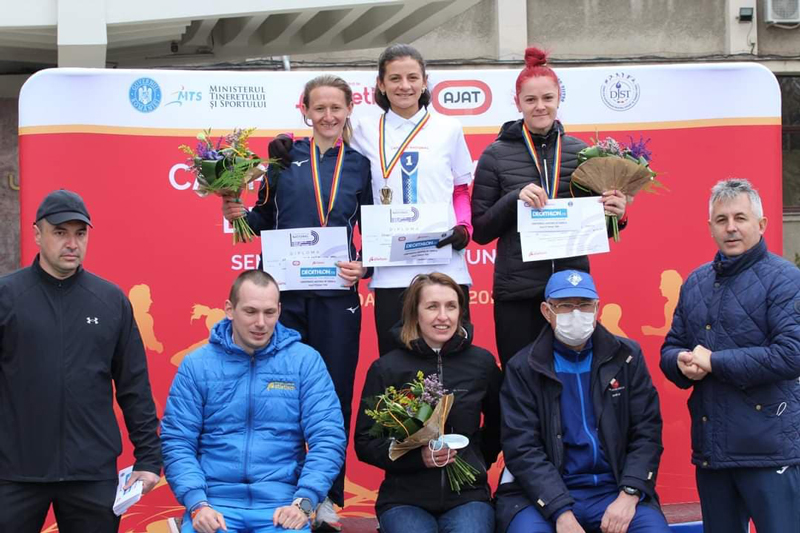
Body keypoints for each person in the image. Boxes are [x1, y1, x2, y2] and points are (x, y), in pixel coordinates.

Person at [222, 74, 371, 530]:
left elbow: (375, 232)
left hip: (336, 297)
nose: (328, 116)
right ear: (305, 110)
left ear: (349, 110)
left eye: (336, 108)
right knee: (277, 393)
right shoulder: (282, 160)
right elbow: (262, 219)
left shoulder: (360, 165)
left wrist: (364, 266)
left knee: (334, 395)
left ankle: (325, 496)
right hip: (283, 297)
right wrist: (236, 213)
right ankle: (280, 488)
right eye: (319, 108)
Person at [271, 44, 475, 356]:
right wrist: (285, 140)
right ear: (380, 84)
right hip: (390, 269)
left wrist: (464, 227)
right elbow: (325, 136)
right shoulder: (364, 130)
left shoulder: (450, 128)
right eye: (394, 78)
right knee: (395, 363)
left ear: (425, 82)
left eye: (412, 78)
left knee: (452, 359)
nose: (404, 86)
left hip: (444, 263)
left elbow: (461, 189)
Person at [0, 189, 162, 532]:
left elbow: (134, 385)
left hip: (92, 475)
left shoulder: (110, 300)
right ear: (37, 234)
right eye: (60, 232)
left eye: (80, 233)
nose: (72, 243)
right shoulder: (7, 297)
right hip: (14, 473)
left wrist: (149, 458)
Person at [471, 47, 628, 368]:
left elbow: (596, 227)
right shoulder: (495, 155)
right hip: (518, 293)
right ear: (517, 103)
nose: (540, 106)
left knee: (574, 374)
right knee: (520, 376)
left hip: (571, 290)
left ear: (559, 99)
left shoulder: (583, 154)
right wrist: (514, 198)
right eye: (530, 100)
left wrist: (616, 214)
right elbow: (481, 231)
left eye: (547, 98)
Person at [660, 178, 800, 533]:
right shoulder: (695, 282)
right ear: (710, 227)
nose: (731, 227)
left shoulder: (786, 279)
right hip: (713, 453)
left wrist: (714, 362)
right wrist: (680, 362)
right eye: (722, 220)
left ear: (761, 224)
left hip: (770, 452)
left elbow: (791, 354)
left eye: (740, 218)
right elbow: (671, 347)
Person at [161, 270, 346, 533]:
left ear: (279, 310)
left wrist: (304, 503)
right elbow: (178, 441)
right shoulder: (197, 365)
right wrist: (197, 504)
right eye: (250, 311)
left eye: (269, 312)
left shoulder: (305, 361)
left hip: (283, 506)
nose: (261, 323)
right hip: (214, 506)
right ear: (229, 309)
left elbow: (328, 438)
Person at [497, 270, 669, 533]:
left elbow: (647, 432)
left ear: (597, 308)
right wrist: (560, 511)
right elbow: (522, 448)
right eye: (565, 305)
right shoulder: (524, 367)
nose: (576, 314)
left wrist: (629, 494)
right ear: (546, 311)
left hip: (615, 489)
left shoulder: (627, 357)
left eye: (585, 305)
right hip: (545, 496)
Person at [354, 272, 502, 533]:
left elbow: (498, 425)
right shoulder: (387, 368)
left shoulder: (482, 363)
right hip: (403, 499)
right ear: (415, 313)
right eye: (432, 307)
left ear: (461, 312)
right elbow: (366, 442)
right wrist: (416, 458)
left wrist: (475, 459)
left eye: (451, 307)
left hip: (468, 497)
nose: (443, 316)